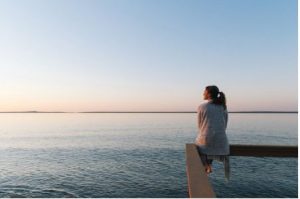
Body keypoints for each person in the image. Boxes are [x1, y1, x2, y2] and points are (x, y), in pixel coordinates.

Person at [195, 85, 230, 179]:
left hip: (206, 141)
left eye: (204, 92)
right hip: (222, 142)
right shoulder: (223, 107)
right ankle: (208, 166)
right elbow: (224, 125)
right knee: (208, 148)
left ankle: (206, 167)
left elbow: (200, 126)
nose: (203, 93)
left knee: (199, 145)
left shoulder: (202, 107)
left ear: (209, 94)